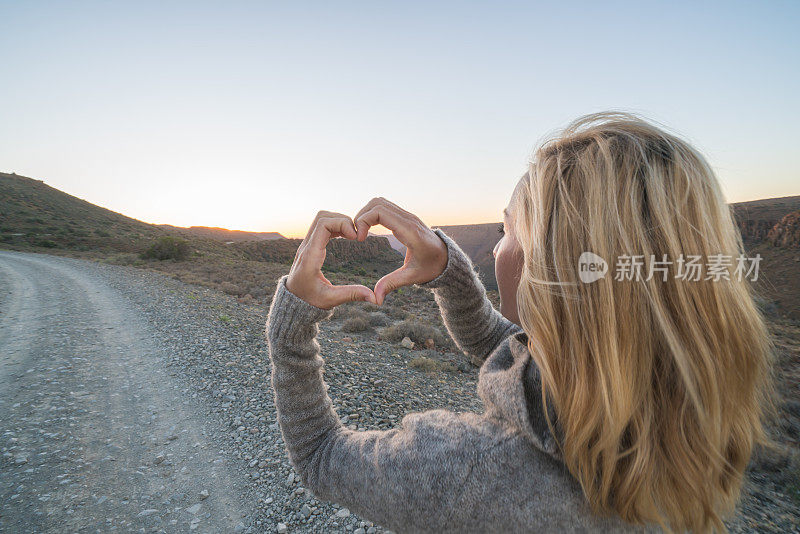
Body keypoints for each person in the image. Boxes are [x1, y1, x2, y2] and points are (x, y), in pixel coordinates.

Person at [265, 112, 777, 533]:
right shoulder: (690, 421)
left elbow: (319, 455)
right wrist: (449, 272)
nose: (499, 244)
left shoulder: (469, 471)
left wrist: (290, 326)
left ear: (543, 266)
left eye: (508, 228)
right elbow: (519, 353)